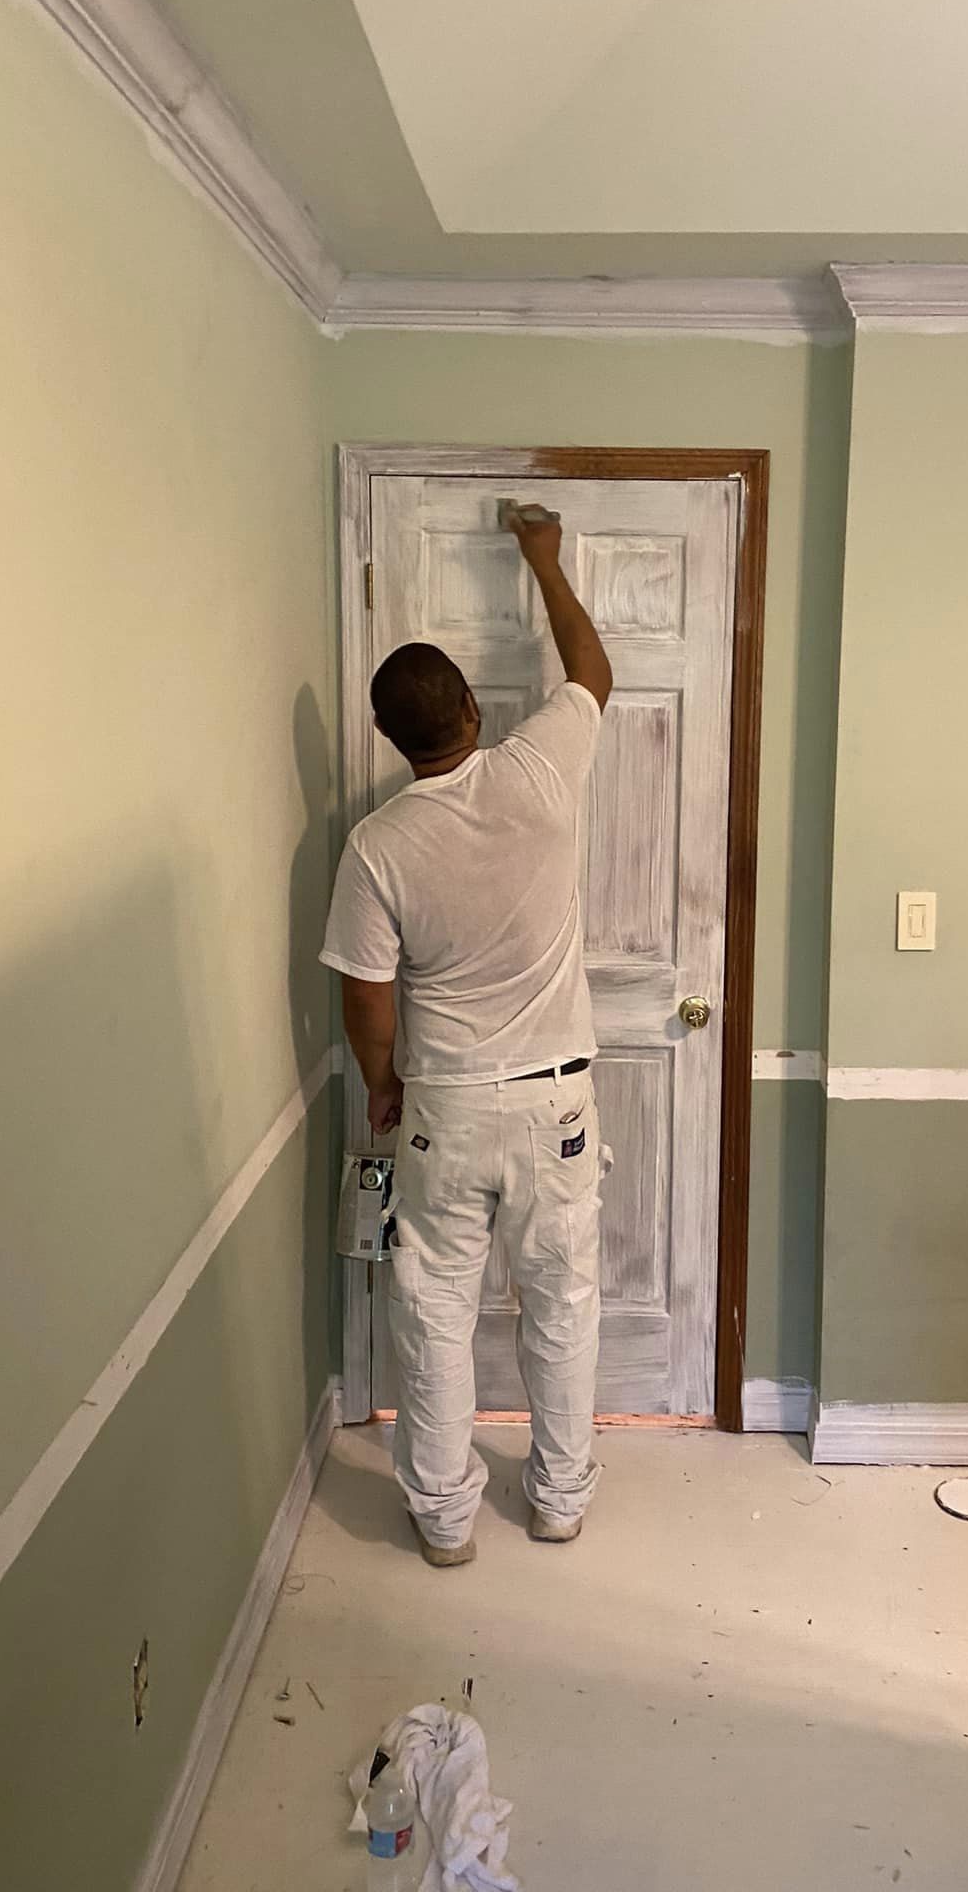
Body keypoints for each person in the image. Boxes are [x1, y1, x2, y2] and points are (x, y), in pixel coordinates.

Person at [322, 503, 614, 1568]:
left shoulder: (378, 844)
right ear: (477, 712)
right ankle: (559, 1500)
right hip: (555, 1104)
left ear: (390, 738)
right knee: (562, 1302)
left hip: (443, 1104)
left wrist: (381, 1081)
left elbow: (367, 994)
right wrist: (543, 559)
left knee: (436, 1309)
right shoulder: (539, 769)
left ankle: (445, 1521)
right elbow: (591, 671)